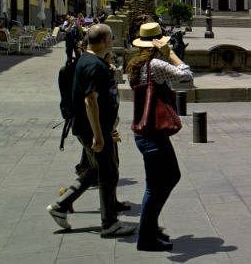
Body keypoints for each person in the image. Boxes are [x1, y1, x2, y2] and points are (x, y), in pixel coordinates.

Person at [47, 24, 134, 238]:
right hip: (93, 130)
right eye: (111, 38)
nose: (113, 42)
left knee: (95, 171)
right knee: (108, 173)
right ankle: (110, 224)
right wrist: (98, 134)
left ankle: (60, 205)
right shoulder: (95, 65)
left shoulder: (85, 60)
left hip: (90, 128)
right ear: (104, 40)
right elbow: (91, 102)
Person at [128, 22, 192, 252]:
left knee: (169, 177)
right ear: (158, 43)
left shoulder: (135, 65)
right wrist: (171, 53)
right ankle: (146, 236)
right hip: (153, 133)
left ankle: (150, 225)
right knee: (155, 186)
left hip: (147, 132)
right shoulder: (155, 64)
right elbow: (186, 76)